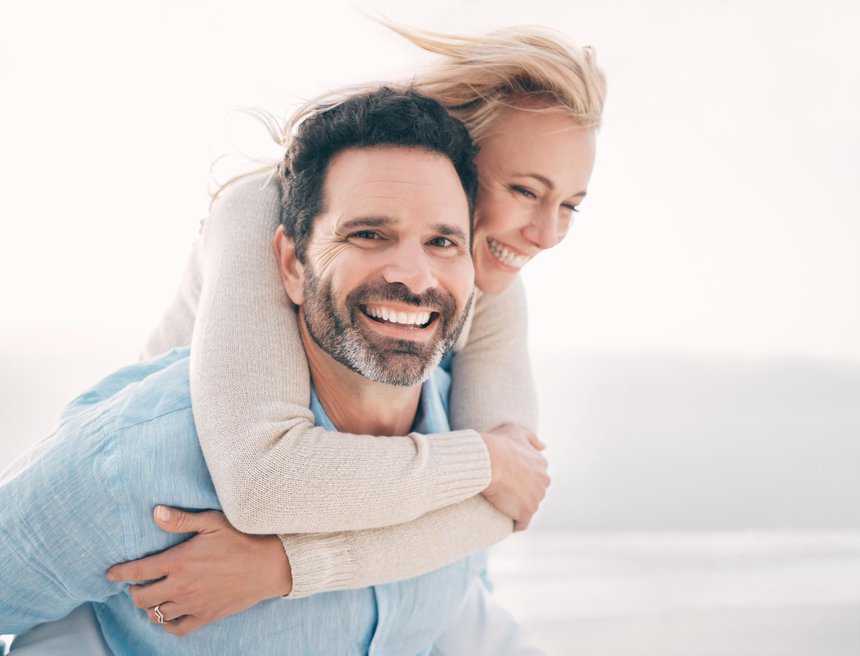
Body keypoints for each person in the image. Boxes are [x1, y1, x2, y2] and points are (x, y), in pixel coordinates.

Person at [105, 22, 605, 639]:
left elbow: (508, 499)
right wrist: (481, 460)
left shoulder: (487, 273)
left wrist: (285, 566)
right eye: (526, 191)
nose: (547, 233)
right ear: (455, 156)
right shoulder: (261, 216)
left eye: (570, 206)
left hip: (432, 597)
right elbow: (266, 481)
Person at [0, 88, 532, 655]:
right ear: (291, 264)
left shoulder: (472, 444)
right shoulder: (141, 458)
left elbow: (464, 621)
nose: (414, 274)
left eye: (442, 241)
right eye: (368, 234)